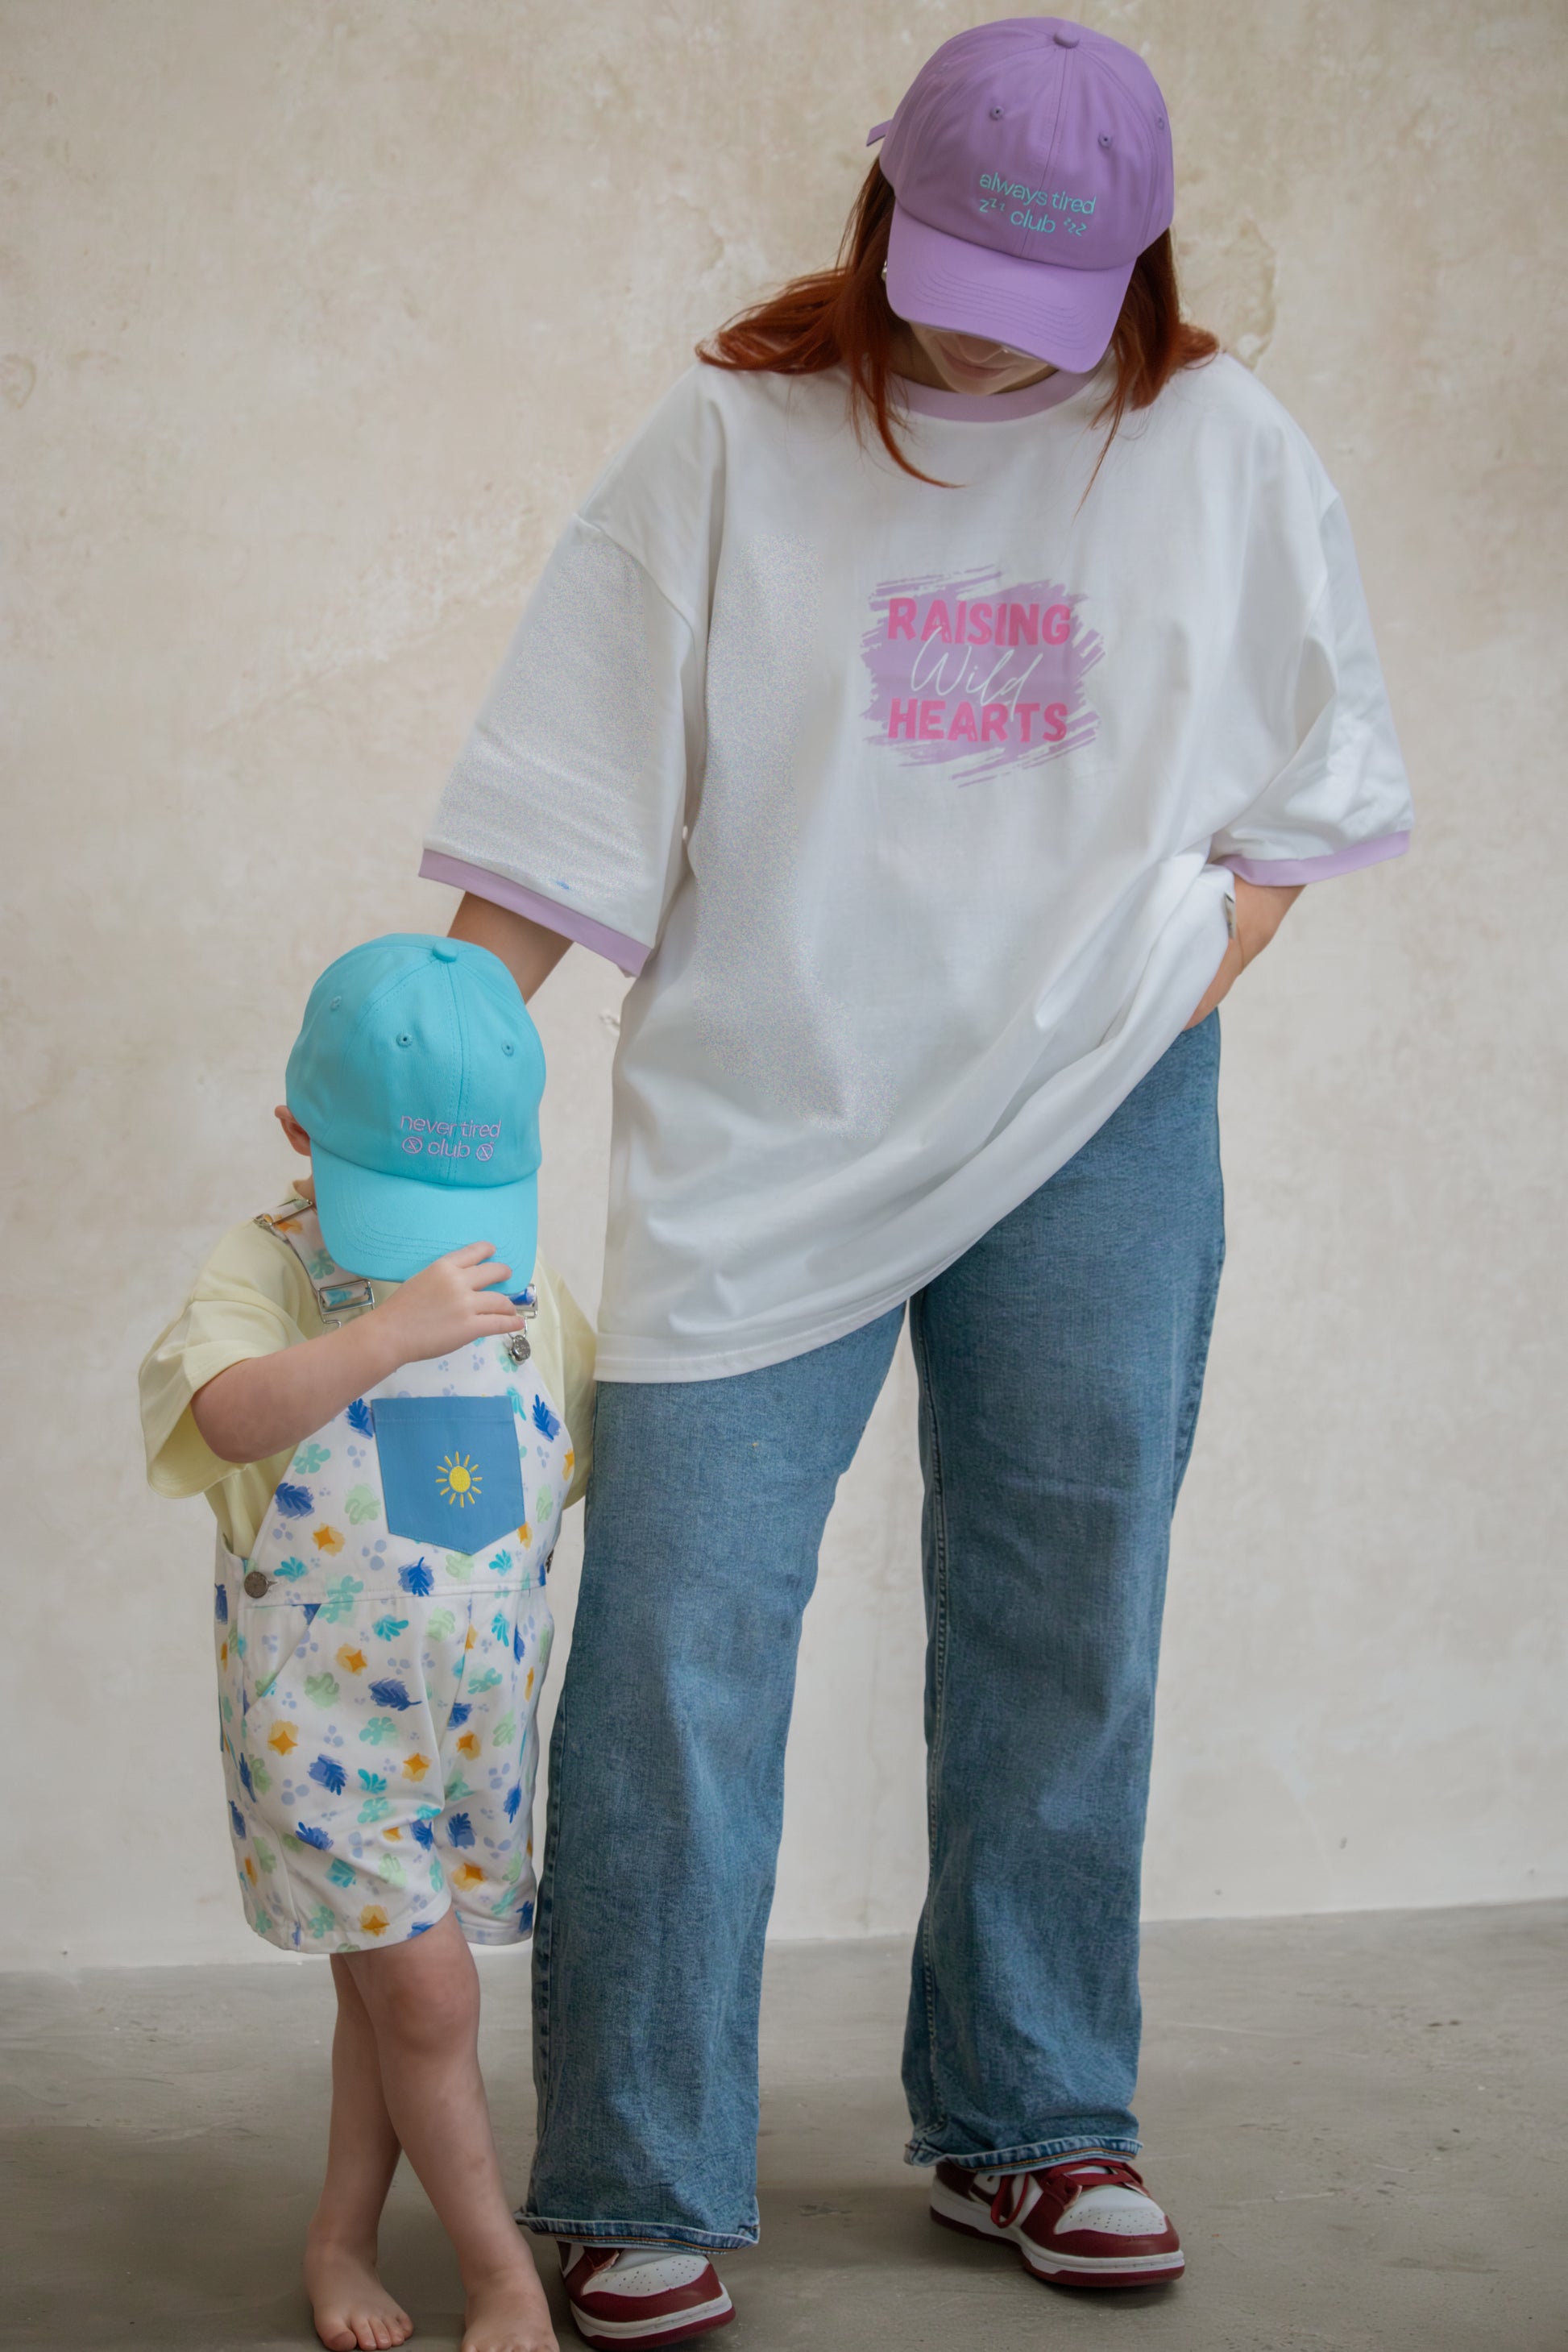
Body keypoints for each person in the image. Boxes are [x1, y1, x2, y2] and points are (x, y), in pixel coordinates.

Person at [421, 17, 1413, 2344]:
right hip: (771, 1128)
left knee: (1066, 1620)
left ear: (1137, 269)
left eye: (1045, 294)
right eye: (957, 269)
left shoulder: (1225, 446)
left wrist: (1163, 986)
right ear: (882, 216)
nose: (987, 332)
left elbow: (1311, 777)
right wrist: (429, 1071)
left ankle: (1034, 2117)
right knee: (674, 1639)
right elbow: (567, 792)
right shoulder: (731, 442)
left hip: (1098, 1127)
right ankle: (636, 2164)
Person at [139, 934, 595, 2352]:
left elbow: (575, 1455)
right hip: (324, 1737)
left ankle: (338, 2243)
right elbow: (221, 1414)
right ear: (298, 1135)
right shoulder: (267, 1267)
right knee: (429, 1993)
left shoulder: (524, 1298)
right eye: (403, 1205)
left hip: (467, 1732)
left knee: (388, 2008)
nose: (446, 1248)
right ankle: (500, 2272)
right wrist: (380, 1335)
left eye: (470, 1204)